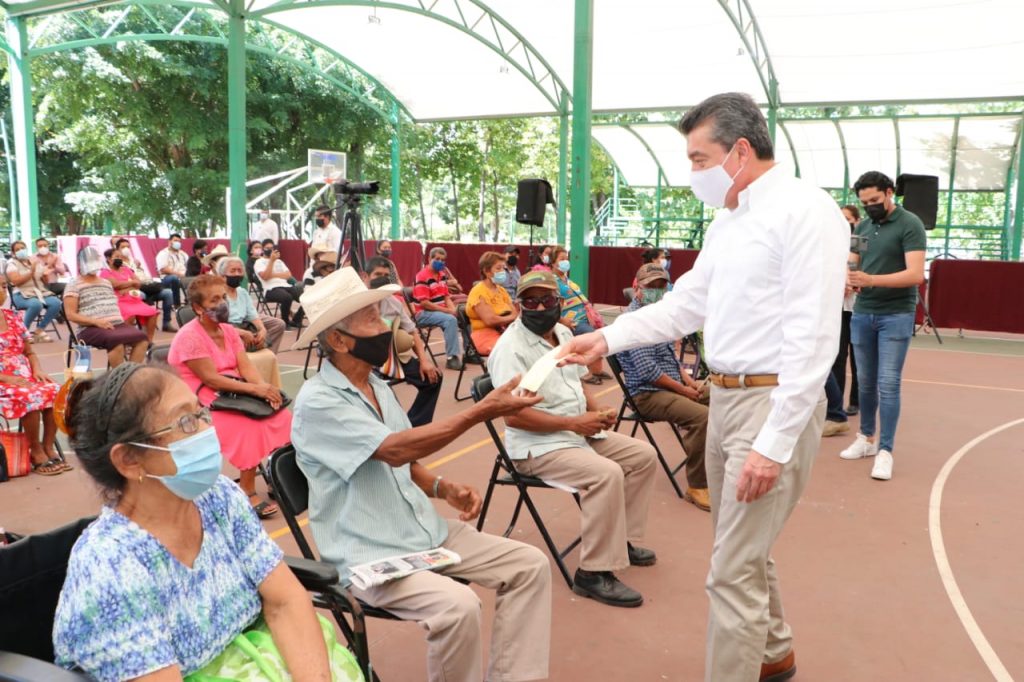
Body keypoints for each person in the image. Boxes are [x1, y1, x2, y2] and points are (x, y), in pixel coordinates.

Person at [559, 92, 847, 681]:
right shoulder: (730, 220)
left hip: (769, 402)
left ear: (740, 150)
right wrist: (607, 340)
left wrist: (775, 441)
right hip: (725, 398)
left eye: (698, 157)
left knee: (730, 570)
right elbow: (688, 304)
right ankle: (774, 653)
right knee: (739, 546)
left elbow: (815, 339)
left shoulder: (804, 211)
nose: (692, 171)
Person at [290, 266, 551, 682]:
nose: (386, 325)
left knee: (529, 565)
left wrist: (442, 487)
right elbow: (395, 451)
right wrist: (483, 410)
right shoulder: (319, 402)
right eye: (373, 318)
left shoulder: (376, 385)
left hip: (423, 533)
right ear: (339, 340)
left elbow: (405, 459)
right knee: (458, 605)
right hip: (370, 554)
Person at [52, 363, 334, 681]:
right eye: (185, 422)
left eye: (201, 414)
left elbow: (284, 601)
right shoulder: (110, 565)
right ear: (129, 460)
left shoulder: (219, 497)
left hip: (258, 658)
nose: (206, 430)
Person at [488, 269, 659, 608]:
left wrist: (598, 412)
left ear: (560, 302)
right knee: (605, 474)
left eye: (547, 300)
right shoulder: (510, 347)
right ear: (519, 305)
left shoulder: (564, 331)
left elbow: (578, 381)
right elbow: (512, 415)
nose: (539, 307)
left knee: (643, 456)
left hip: (574, 431)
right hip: (537, 446)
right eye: (530, 301)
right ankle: (592, 573)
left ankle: (618, 539)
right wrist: (573, 423)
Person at [169, 275, 290, 517]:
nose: (223, 303)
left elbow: (246, 368)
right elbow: (211, 379)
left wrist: (265, 389)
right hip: (201, 397)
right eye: (215, 299)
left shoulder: (228, 331)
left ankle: (276, 477)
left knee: (282, 415)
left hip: (233, 387)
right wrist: (255, 390)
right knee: (248, 426)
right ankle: (246, 489)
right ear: (198, 307)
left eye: (223, 297)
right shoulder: (189, 336)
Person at [839, 171, 927, 481]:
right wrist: (851, 275)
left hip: (896, 315)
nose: (870, 207)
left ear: (890, 193)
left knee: (888, 383)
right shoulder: (863, 226)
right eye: (865, 203)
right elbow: (853, 258)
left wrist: (870, 279)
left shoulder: (910, 224)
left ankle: (886, 450)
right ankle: (866, 438)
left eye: (875, 200)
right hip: (863, 313)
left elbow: (916, 274)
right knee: (865, 381)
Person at [617, 264, 710, 511]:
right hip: (648, 395)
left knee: (723, 396)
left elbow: (671, 358)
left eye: (661, 286)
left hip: (670, 387)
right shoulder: (632, 321)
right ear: (637, 288)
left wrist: (689, 381)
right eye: (651, 287)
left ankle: (717, 465)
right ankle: (697, 486)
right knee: (704, 417)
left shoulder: (658, 316)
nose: (656, 292)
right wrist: (683, 390)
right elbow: (648, 371)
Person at [367, 256, 443, 427]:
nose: (381, 278)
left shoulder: (393, 303)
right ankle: (393, 430)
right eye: (377, 274)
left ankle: (412, 426)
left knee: (433, 378)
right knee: (384, 393)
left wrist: (424, 361)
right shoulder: (356, 303)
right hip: (363, 360)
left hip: (389, 357)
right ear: (365, 276)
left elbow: (413, 332)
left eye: (386, 275)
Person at [0, 285, 64, 476]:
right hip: (4, 381)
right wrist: (6, 378)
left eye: (3, 286)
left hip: (24, 377)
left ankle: (47, 445)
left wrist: (37, 369)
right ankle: (35, 450)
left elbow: (29, 351)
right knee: (31, 396)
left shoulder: (12, 317)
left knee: (55, 390)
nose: (2, 291)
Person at [64, 247, 150, 367]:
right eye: (90, 260)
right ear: (81, 263)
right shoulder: (74, 285)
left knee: (142, 339)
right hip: (90, 328)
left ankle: (128, 375)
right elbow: (70, 314)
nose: (93, 262)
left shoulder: (106, 283)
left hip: (117, 324)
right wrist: (96, 322)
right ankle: (118, 380)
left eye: (95, 259)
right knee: (116, 341)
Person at [550, 246, 608, 385]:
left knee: (604, 333)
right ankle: (588, 373)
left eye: (566, 258)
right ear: (553, 263)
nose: (566, 262)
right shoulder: (552, 281)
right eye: (562, 259)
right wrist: (564, 321)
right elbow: (553, 306)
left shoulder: (566, 279)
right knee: (592, 336)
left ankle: (597, 370)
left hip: (586, 318)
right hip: (573, 322)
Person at [218, 256, 286, 353]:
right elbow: (219, 325)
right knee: (243, 340)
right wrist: (242, 332)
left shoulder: (242, 292)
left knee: (278, 324)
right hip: (228, 327)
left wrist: (262, 330)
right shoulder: (218, 294)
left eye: (239, 270)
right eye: (232, 271)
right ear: (223, 276)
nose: (237, 274)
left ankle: (269, 356)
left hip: (244, 322)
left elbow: (252, 314)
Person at [412, 248, 463, 370]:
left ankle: (470, 352)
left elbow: (446, 297)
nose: (440, 262)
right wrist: (449, 312)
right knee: (450, 320)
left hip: (439, 312)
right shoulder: (421, 276)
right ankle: (452, 358)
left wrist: (454, 310)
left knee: (464, 314)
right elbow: (425, 304)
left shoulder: (442, 275)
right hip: (423, 314)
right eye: (437, 259)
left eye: (443, 260)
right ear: (429, 259)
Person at [114, 237, 176, 332]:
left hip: (148, 286)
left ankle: (166, 323)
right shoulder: (117, 264)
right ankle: (144, 326)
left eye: (128, 247)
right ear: (117, 249)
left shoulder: (134, 261)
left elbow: (143, 275)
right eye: (123, 247)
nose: (126, 249)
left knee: (168, 293)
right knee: (141, 295)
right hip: (133, 289)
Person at [5, 240, 62, 344]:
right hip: (21, 294)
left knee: (56, 303)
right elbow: (16, 281)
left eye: (22, 248)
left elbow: (44, 281)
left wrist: (45, 276)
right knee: (36, 304)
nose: (21, 251)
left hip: (40, 292)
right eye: (17, 250)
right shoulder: (11, 264)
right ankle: (23, 332)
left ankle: (39, 330)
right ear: (13, 253)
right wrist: (31, 272)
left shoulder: (33, 261)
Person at [100, 248, 160, 342]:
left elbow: (139, 283)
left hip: (133, 299)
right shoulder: (105, 272)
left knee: (153, 312)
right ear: (108, 259)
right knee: (130, 314)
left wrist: (127, 287)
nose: (120, 259)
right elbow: (116, 285)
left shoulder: (126, 269)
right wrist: (132, 283)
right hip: (118, 301)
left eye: (120, 256)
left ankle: (148, 341)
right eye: (116, 257)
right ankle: (127, 342)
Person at [466, 251, 517, 355]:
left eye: (503, 268)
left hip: (505, 332)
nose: (503, 271)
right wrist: (509, 318)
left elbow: (515, 313)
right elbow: (490, 320)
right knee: (511, 352)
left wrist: (502, 319)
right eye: (498, 268)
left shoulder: (501, 290)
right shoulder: (478, 292)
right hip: (484, 335)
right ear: (486, 271)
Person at [837, 204, 861, 415]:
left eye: (848, 219)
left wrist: (852, 283)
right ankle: (835, 401)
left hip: (858, 308)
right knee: (837, 356)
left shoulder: (860, 242)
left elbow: (861, 267)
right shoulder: (832, 242)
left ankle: (856, 400)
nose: (845, 223)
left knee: (857, 357)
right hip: (838, 308)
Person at [255, 242, 305, 329]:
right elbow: (265, 277)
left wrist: (273, 274)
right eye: (267, 248)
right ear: (263, 249)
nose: (270, 250)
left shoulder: (279, 261)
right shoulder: (259, 262)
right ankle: (285, 322)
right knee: (287, 297)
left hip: (286, 285)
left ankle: (297, 319)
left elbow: (288, 275)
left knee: (305, 297)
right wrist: (271, 261)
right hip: (270, 289)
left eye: (272, 247)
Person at [155, 233, 187, 306]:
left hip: (183, 277)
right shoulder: (163, 253)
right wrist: (180, 274)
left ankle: (191, 302)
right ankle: (177, 305)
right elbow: (163, 269)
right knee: (174, 278)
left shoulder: (183, 254)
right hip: (167, 278)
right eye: (175, 241)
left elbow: (188, 265)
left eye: (179, 241)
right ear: (169, 242)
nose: (178, 243)